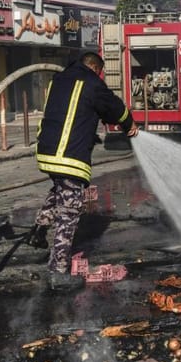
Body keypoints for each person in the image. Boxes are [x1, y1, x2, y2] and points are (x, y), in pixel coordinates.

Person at [29, 52, 138, 292]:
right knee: (70, 211)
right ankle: (58, 273)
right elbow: (115, 109)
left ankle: (39, 227)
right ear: (97, 69)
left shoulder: (60, 79)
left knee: (60, 189)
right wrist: (129, 124)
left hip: (47, 151)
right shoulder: (92, 82)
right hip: (68, 155)